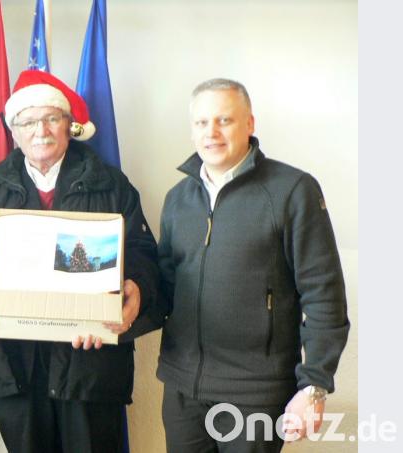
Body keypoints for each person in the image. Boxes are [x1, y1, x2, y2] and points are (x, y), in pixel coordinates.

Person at [0, 70, 161, 453]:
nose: (40, 130)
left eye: (51, 118)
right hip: (15, 366)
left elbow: (144, 257)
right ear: (14, 131)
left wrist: (136, 293)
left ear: (69, 126)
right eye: (28, 121)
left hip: (89, 369)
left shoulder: (112, 184)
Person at [156, 78, 350, 452]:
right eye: (201, 123)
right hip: (182, 390)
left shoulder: (292, 190)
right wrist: (120, 310)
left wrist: (315, 384)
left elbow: (324, 292)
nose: (211, 132)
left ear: (250, 124)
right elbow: (164, 289)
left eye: (224, 120)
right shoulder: (178, 198)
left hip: (255, 393)